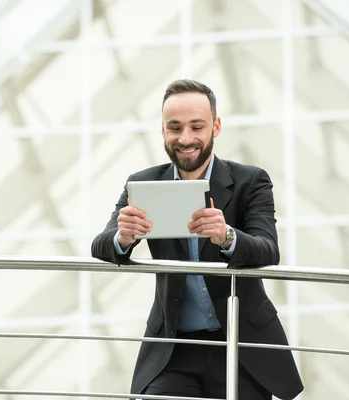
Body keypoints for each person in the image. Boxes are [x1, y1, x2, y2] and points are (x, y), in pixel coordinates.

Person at [91, 79, 303, 400]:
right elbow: (101, 245)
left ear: (215, 126)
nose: (185, 138)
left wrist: (227, 236)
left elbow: (267, 250)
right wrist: (123, 237)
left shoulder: (250, 181)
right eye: (174, 127)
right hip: (174, 350)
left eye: (196, 126)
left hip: (239, 343)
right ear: (162, 131)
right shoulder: (143, 184)